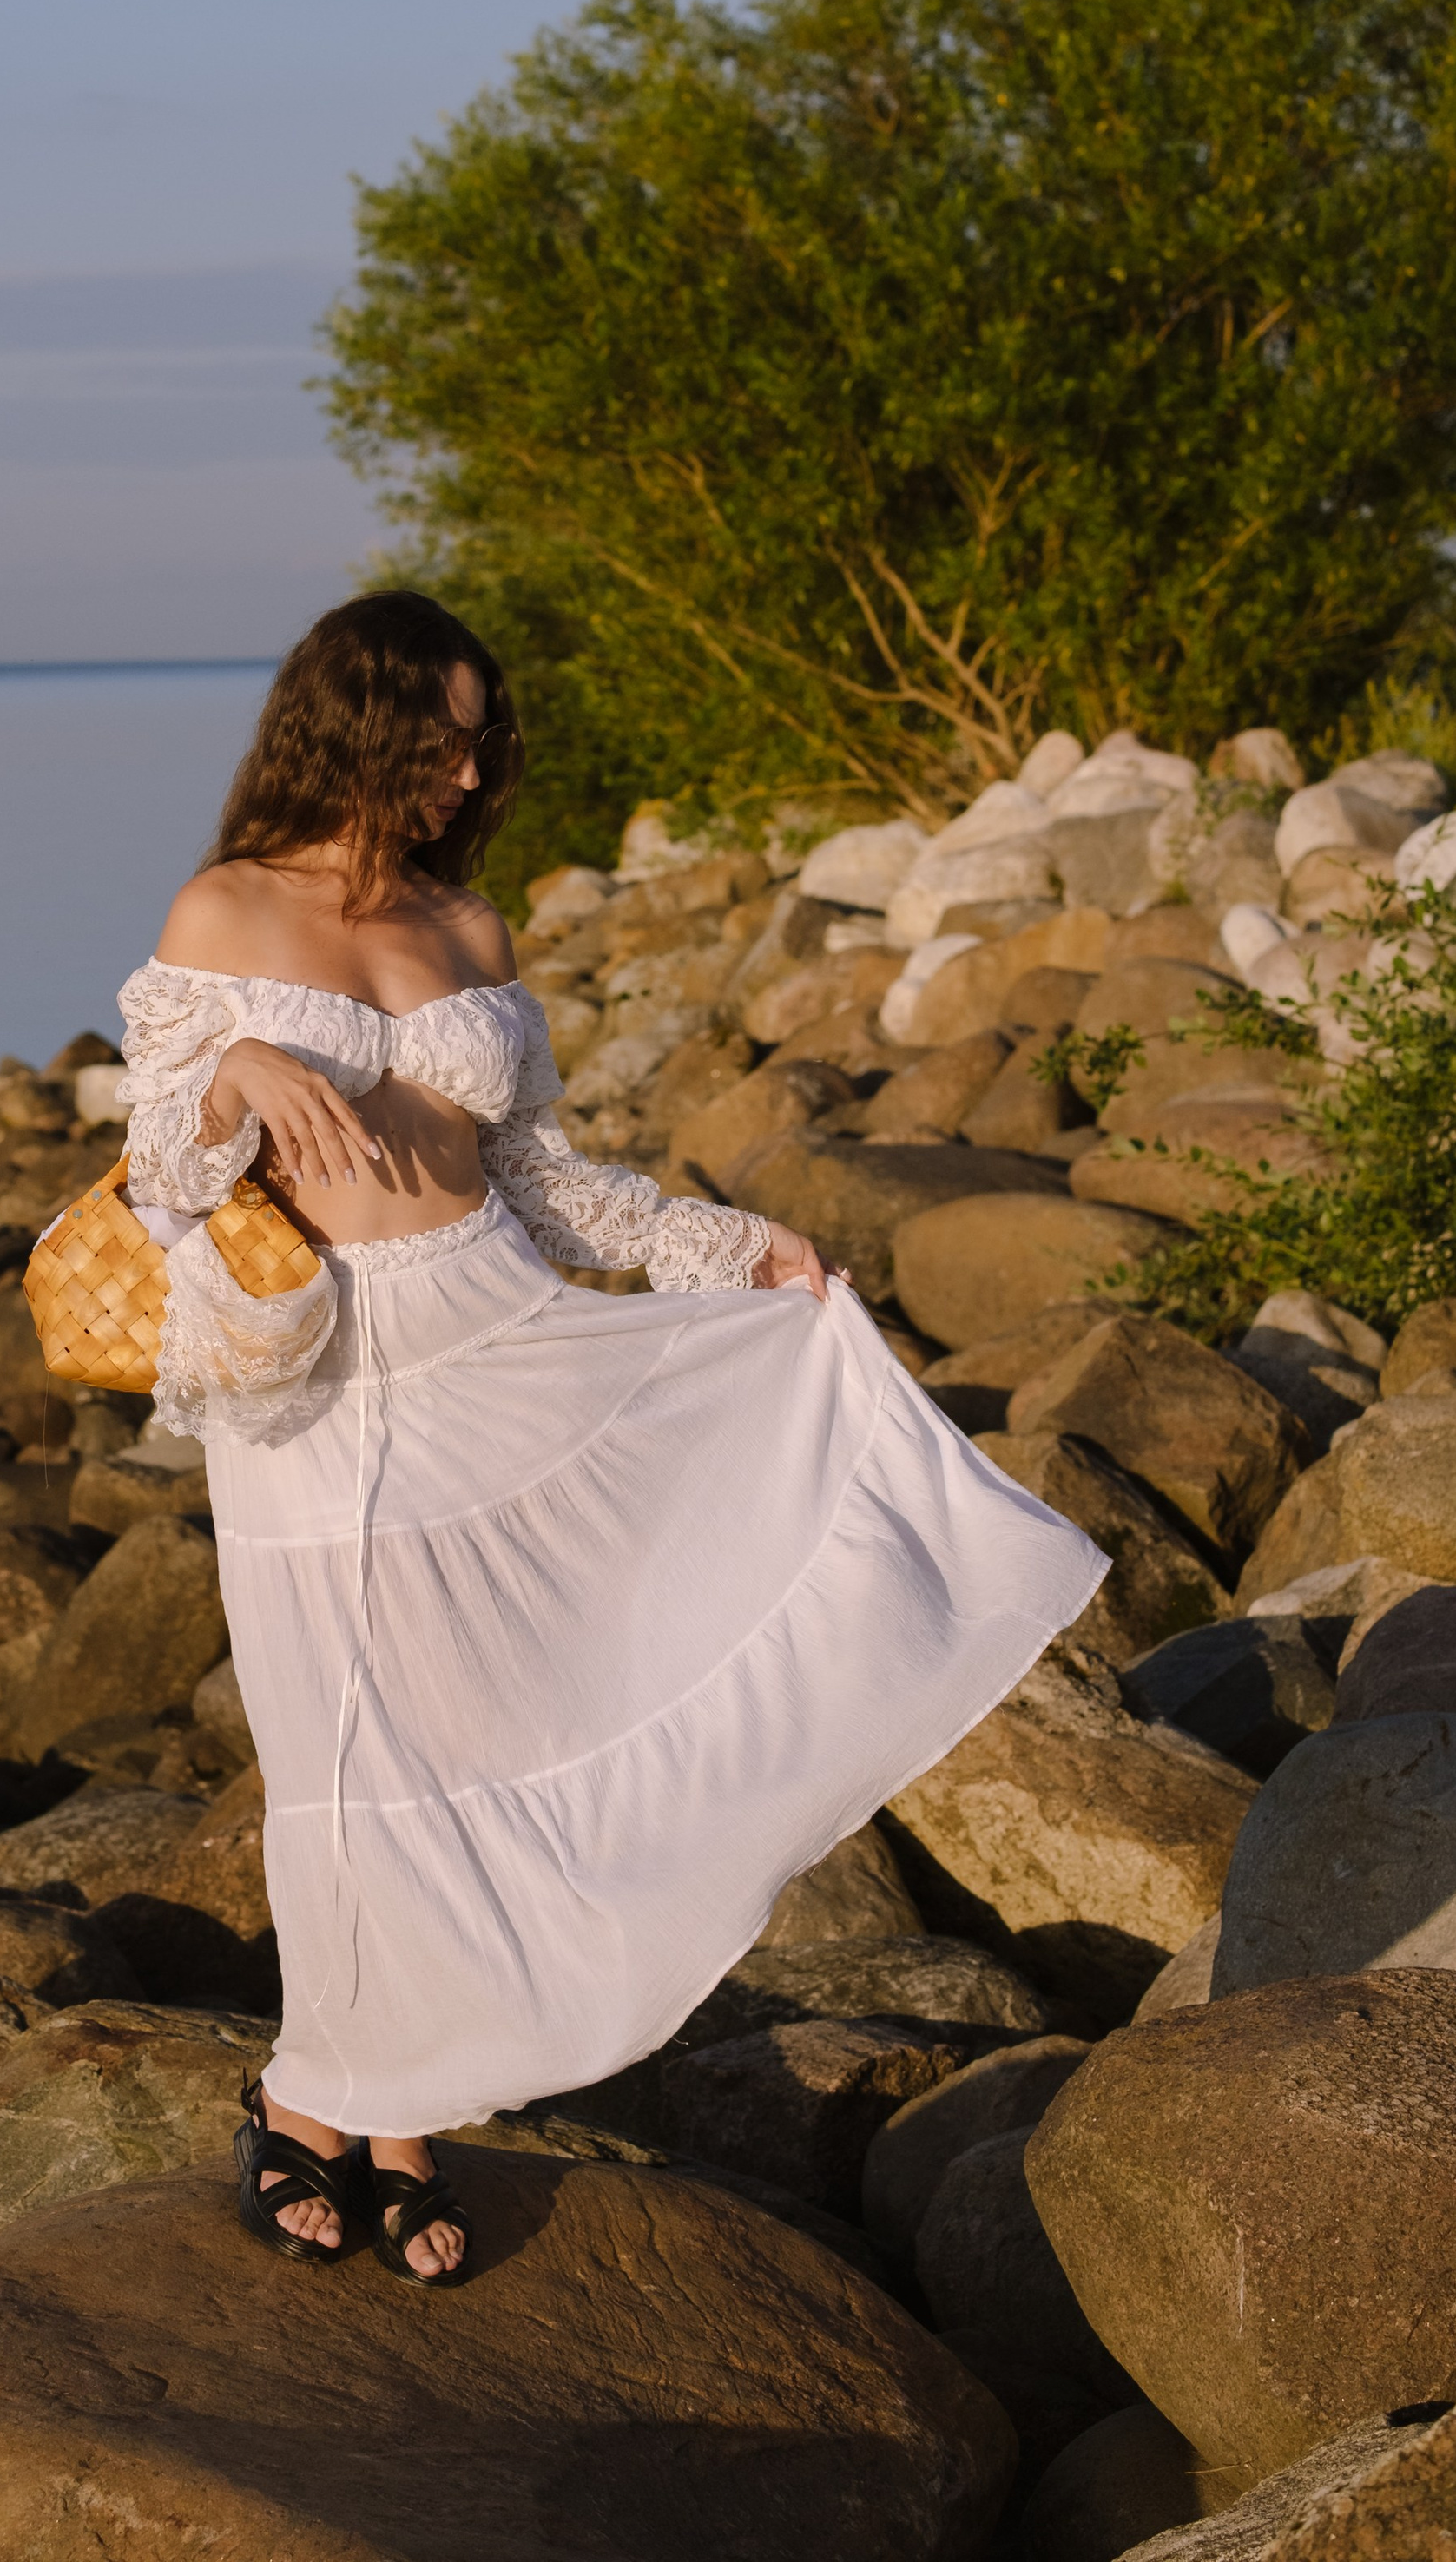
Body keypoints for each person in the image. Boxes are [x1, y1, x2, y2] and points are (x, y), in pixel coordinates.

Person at [116, 590, 1106, 2284]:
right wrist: (229, 1085)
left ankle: (393, 2114)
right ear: (346, 726)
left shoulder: (467, 924)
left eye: (481, 733)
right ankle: (309, 2104)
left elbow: (532, 1171)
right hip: (328, 1382)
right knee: (349, 1757)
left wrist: (719, 1247)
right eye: (437, 732)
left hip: (501, 1323)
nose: (467, 764)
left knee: (485, 1716)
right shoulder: (225, 908)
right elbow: (154, 1178)